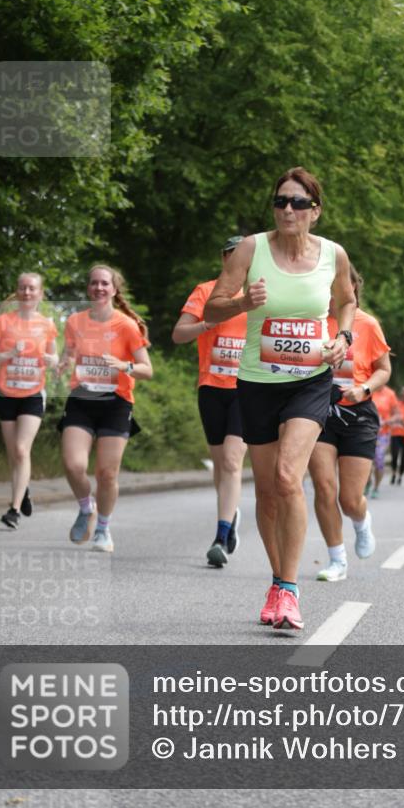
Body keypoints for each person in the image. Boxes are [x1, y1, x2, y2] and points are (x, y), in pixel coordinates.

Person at [205, 167, 355, 631]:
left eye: (297, 202)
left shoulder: (333, 254)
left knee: (290, 477)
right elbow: (213, 307)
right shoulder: (251, 249)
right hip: (256, 381)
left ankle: (289, 592)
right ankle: (277, 580)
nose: (287, 209)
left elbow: (346, 301)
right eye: (280, 201)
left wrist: (344, 337)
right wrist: (243, 302)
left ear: (315, 211)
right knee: (268, 490)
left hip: (310, 381)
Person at [57, 265, 153, 553]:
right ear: (89, 288)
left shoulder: (126, 326)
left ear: (114, 289)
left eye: (104, 283)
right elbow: (68, 354)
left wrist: (125, 366)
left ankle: (103, 529)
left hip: (115, 403)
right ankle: (87, 508)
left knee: (107, 474)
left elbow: (147, 369)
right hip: (82, 400)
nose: (99, 288)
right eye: (94, 283)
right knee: (74, 465)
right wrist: (62, 363)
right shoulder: (75, 321)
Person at [309, 265, 391, 581]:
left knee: (349, 498)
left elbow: (383, 369)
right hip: (318, 411)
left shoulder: (367, 324)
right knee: (324, 486)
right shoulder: (312, 323)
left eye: (343, 286)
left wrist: (364, 389)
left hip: (358, 415)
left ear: (354, 288)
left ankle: (361, 521)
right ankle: (337, 559)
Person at [173, 237, 248, 567]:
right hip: (211, 388)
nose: (236, 261)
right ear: (223, 258)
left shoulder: (258, 296)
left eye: (242, 257)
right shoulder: (205, 292)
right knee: (220, 465)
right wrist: (206, 324)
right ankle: (231, 514)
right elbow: (178, 334)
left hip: (247, 389)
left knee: (232, 462)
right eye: (231, 255)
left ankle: (220, 536)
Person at [0, 272, 58, 529]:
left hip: (33, 394)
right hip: (6, 393)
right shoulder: (2, 322)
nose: (27, 292)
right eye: (23, 288)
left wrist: (52, 361)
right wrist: (8, 354)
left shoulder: (47, 325)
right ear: (17, 291)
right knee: (14, 452)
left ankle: (13, 510)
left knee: (23, 449)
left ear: (40, 293)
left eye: (32, 288)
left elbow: (55, 359)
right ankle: (23, 491)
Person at [371, 385, 400, 497]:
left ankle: (376, 487)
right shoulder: (367, 388)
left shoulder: (390, 394)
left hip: (382, 433)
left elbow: (398, 414)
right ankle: (367, 482)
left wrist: (387, 421)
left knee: (378, 459)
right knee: (365, 460)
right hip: (366, 431)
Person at [389, 386, 404, 485]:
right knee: (395, 454)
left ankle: (400, 476)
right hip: (396, 433)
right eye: (403, 392)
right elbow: (391, 414)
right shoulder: (396, 404)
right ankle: (393, 473)